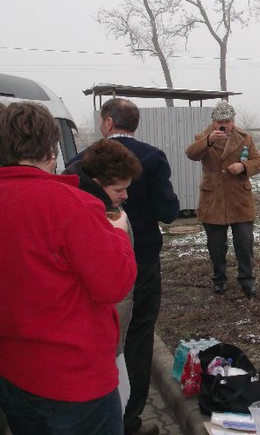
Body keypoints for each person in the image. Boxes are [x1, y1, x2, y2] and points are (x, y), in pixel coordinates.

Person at [0, 102, 136, 435]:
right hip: (76, 381)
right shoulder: (71, 204)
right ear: (51, 147)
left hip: (13, 372)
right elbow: (113, 284)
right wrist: (119, 236)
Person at [71, 98, 180, 435]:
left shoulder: (81, 160)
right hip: (142, 261)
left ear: (107, 123)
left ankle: (101, 414)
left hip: (92, 264)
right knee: (138, 336)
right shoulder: (153, 157)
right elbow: (169, 210)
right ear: (134, 124)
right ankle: (129, 418)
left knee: (104, 337)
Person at [64, 139, 143, 416]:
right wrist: (119, 235)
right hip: (96, 345)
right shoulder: (91, 215)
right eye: (118, 190)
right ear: (96, 183)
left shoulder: (95, 204)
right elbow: (113, 285)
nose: (124, 196)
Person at [186, 101, 260, 297]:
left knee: (244, 242)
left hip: (239, 198)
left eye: (227, 121)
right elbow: (191, 154)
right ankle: (219, 279)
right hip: (213, 199)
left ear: (233, 121)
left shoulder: (245, 138)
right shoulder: (204, 137)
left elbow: (259, 162)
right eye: (219, 122)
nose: (224, 125)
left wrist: (243, 167)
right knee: (216, 244)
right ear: (213, 122)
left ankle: (247, 280)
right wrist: (208, 141)